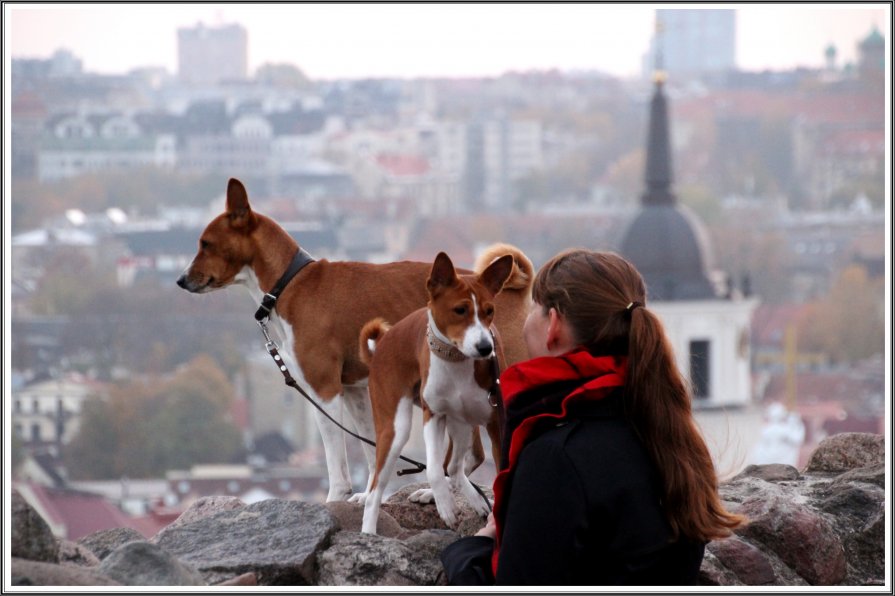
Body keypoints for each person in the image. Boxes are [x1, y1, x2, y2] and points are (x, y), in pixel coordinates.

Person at [440, 248, 744, 585]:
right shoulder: (661, 427)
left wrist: (472, 548)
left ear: (553, 324)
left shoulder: (557, 457)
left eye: (535, 309)